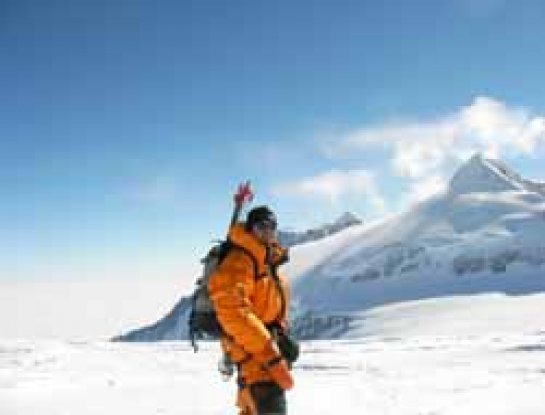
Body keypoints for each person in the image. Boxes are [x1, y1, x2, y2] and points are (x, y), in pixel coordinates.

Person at [208, 206, 294, 415]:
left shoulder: (267, 261)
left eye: (272, 227)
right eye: (261, 226)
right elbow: (233, 311)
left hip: (262, 348)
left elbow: (270, 305)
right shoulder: (240, 260)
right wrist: (270, 353)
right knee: (269, 407)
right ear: (250, 229)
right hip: (252, 351)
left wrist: (281, 337)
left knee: (252, 406)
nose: (267, 232)